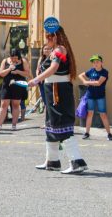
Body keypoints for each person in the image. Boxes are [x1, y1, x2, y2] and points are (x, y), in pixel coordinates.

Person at [29, 18, 88, 174]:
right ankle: (53, 161)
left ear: (55, 36)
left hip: (58, 92)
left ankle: (77, 162)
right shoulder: (56, 50)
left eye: (48, 36)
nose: (46, 40)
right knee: (51, 124)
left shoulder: (59, 50)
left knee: (61, 124)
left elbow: (54, 68)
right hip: (52, 91)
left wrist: (36, 80)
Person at [78, 55, 112, 141]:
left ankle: (109, 134)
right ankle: (87, 133)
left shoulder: (104, 72)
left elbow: (98, 83)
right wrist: (84, 81)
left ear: (101, 62)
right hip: (90, 96)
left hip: (100, 97)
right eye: (94, 62)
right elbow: (80, 75)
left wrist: (88, 82)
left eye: (97, 62)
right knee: (90, 114)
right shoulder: (91, 71)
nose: (95, 64)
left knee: (103, 114)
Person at [0, 48, 30, 131]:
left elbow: (27, 73)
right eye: (12, 57)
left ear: (18, 56)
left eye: (15, 58)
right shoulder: (5, 61)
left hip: (18, 85)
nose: (14, 59)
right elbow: (1, 73)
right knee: (4, 104)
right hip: (7, 85)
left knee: (15, 105)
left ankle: (14, 125)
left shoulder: (23, 61)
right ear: (9, 56)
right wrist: (9, 69)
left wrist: (18, 71)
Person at [36, 44, 52, 127]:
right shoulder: (41, 59)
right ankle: (47, 122)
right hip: (41, 83)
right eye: (45, 49)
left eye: (48, 49)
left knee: (50, 102)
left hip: (49, 82)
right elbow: (38, 69)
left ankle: (50, 121)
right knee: (46, 102)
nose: (46, 50)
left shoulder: (52, 58)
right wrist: (38, 78)